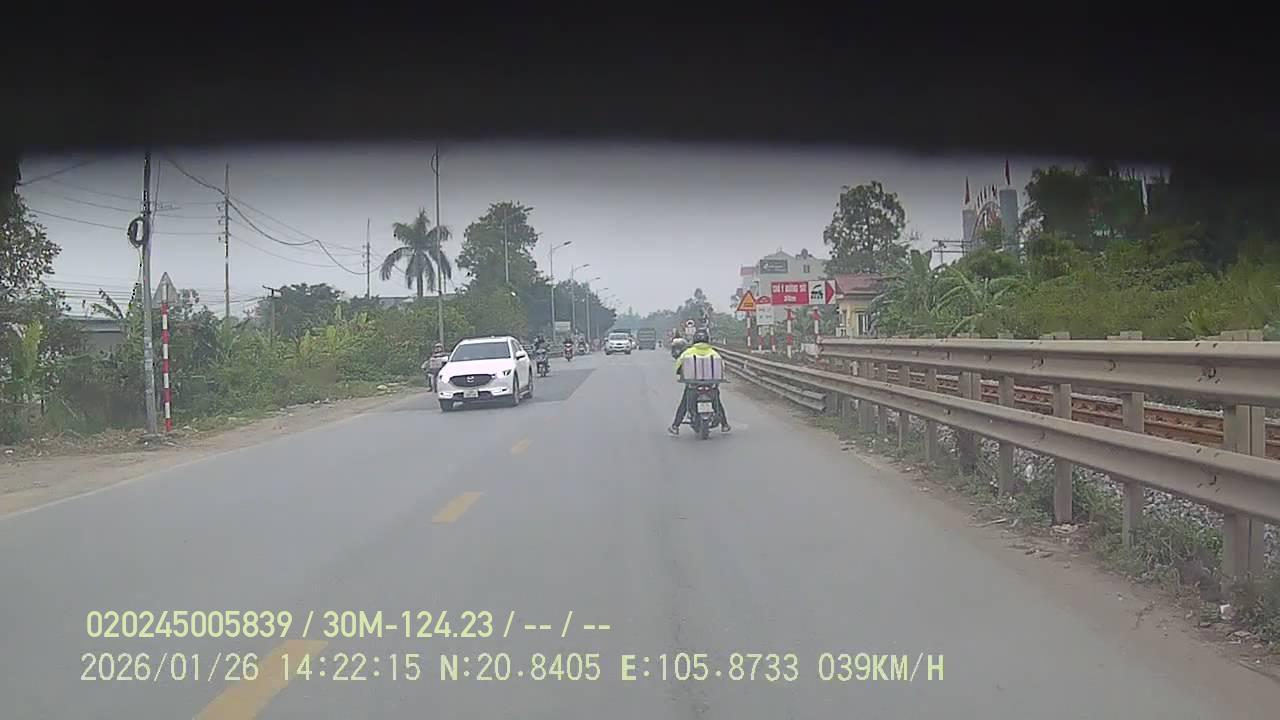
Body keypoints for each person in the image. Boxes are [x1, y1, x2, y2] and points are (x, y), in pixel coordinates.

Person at [668, 328, 730, 435]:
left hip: (693, 385)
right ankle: (724, 425)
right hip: (710, 385)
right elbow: (722, 367)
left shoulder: (687, 353)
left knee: (684, 403)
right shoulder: (714, 353)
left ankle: (675, 426)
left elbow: (678, 366)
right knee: (717, 403)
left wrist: (680, 372)